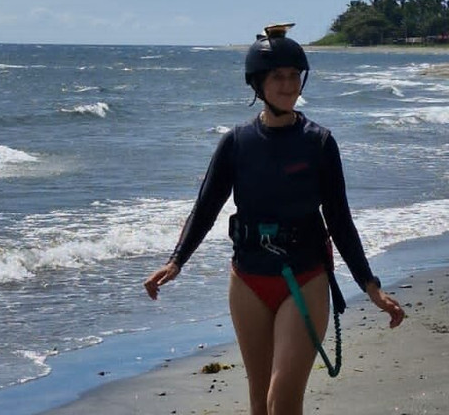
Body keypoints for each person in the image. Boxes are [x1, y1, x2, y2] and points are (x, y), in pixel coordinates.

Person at [144, 23, 404, 415]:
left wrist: (371, 287)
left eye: (293, 76)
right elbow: (206, 207)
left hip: (305, 277)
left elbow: (340, 220)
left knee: (281, 401)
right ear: (258, 84)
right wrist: (176, 260)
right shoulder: (236, 143)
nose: (287, 85)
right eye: (277, 77)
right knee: (258, 403)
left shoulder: (318, 143)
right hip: (248, 279)